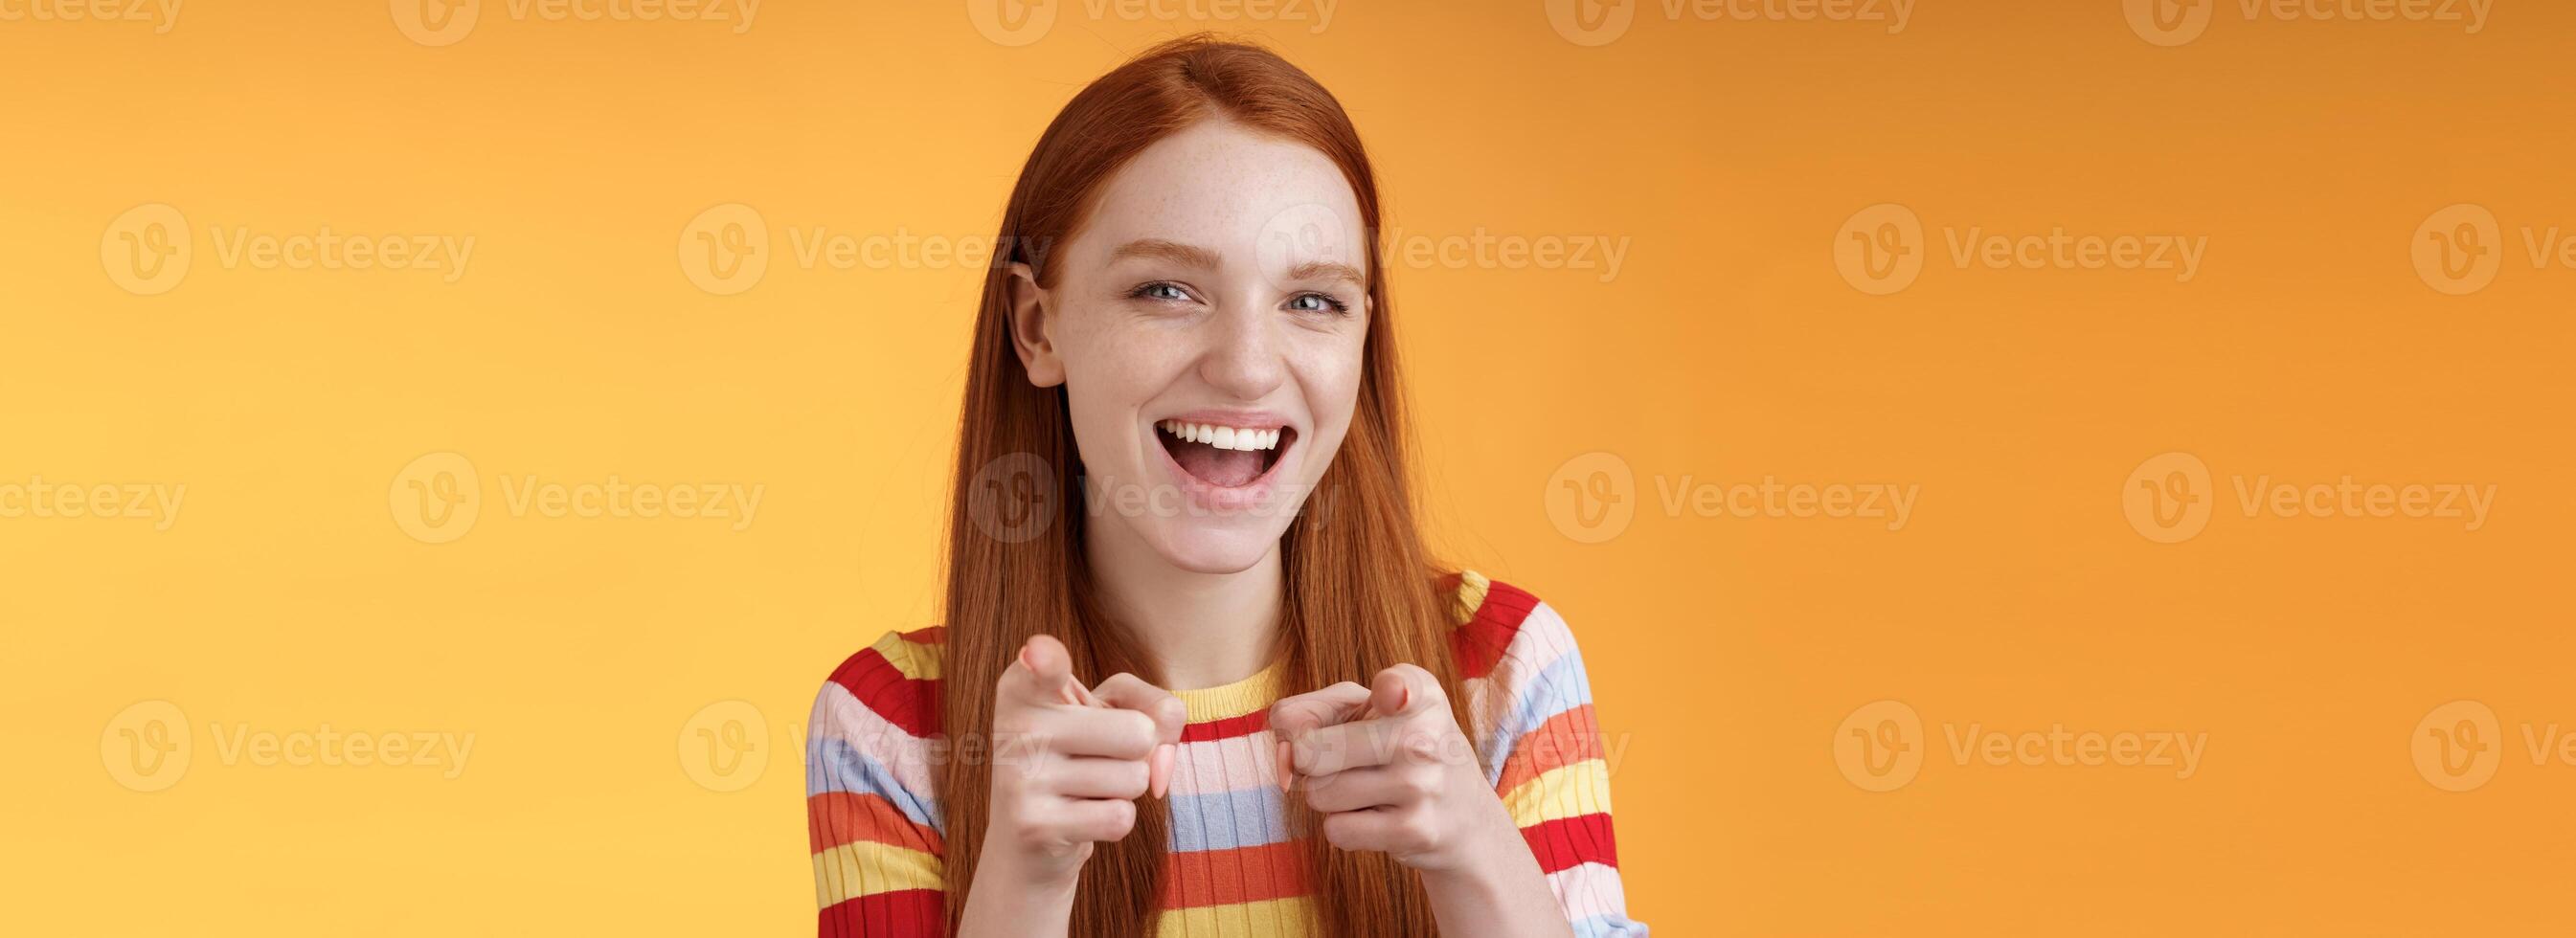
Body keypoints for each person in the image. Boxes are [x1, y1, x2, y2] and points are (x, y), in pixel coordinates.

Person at [804, 35, 1646, 938]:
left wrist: (1479, 856)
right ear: (1038, 328)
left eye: (1313, 301)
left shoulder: (1503, 666)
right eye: (1167, 290)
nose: (1246, 369)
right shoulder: (892, 727)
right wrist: (1024, 881)